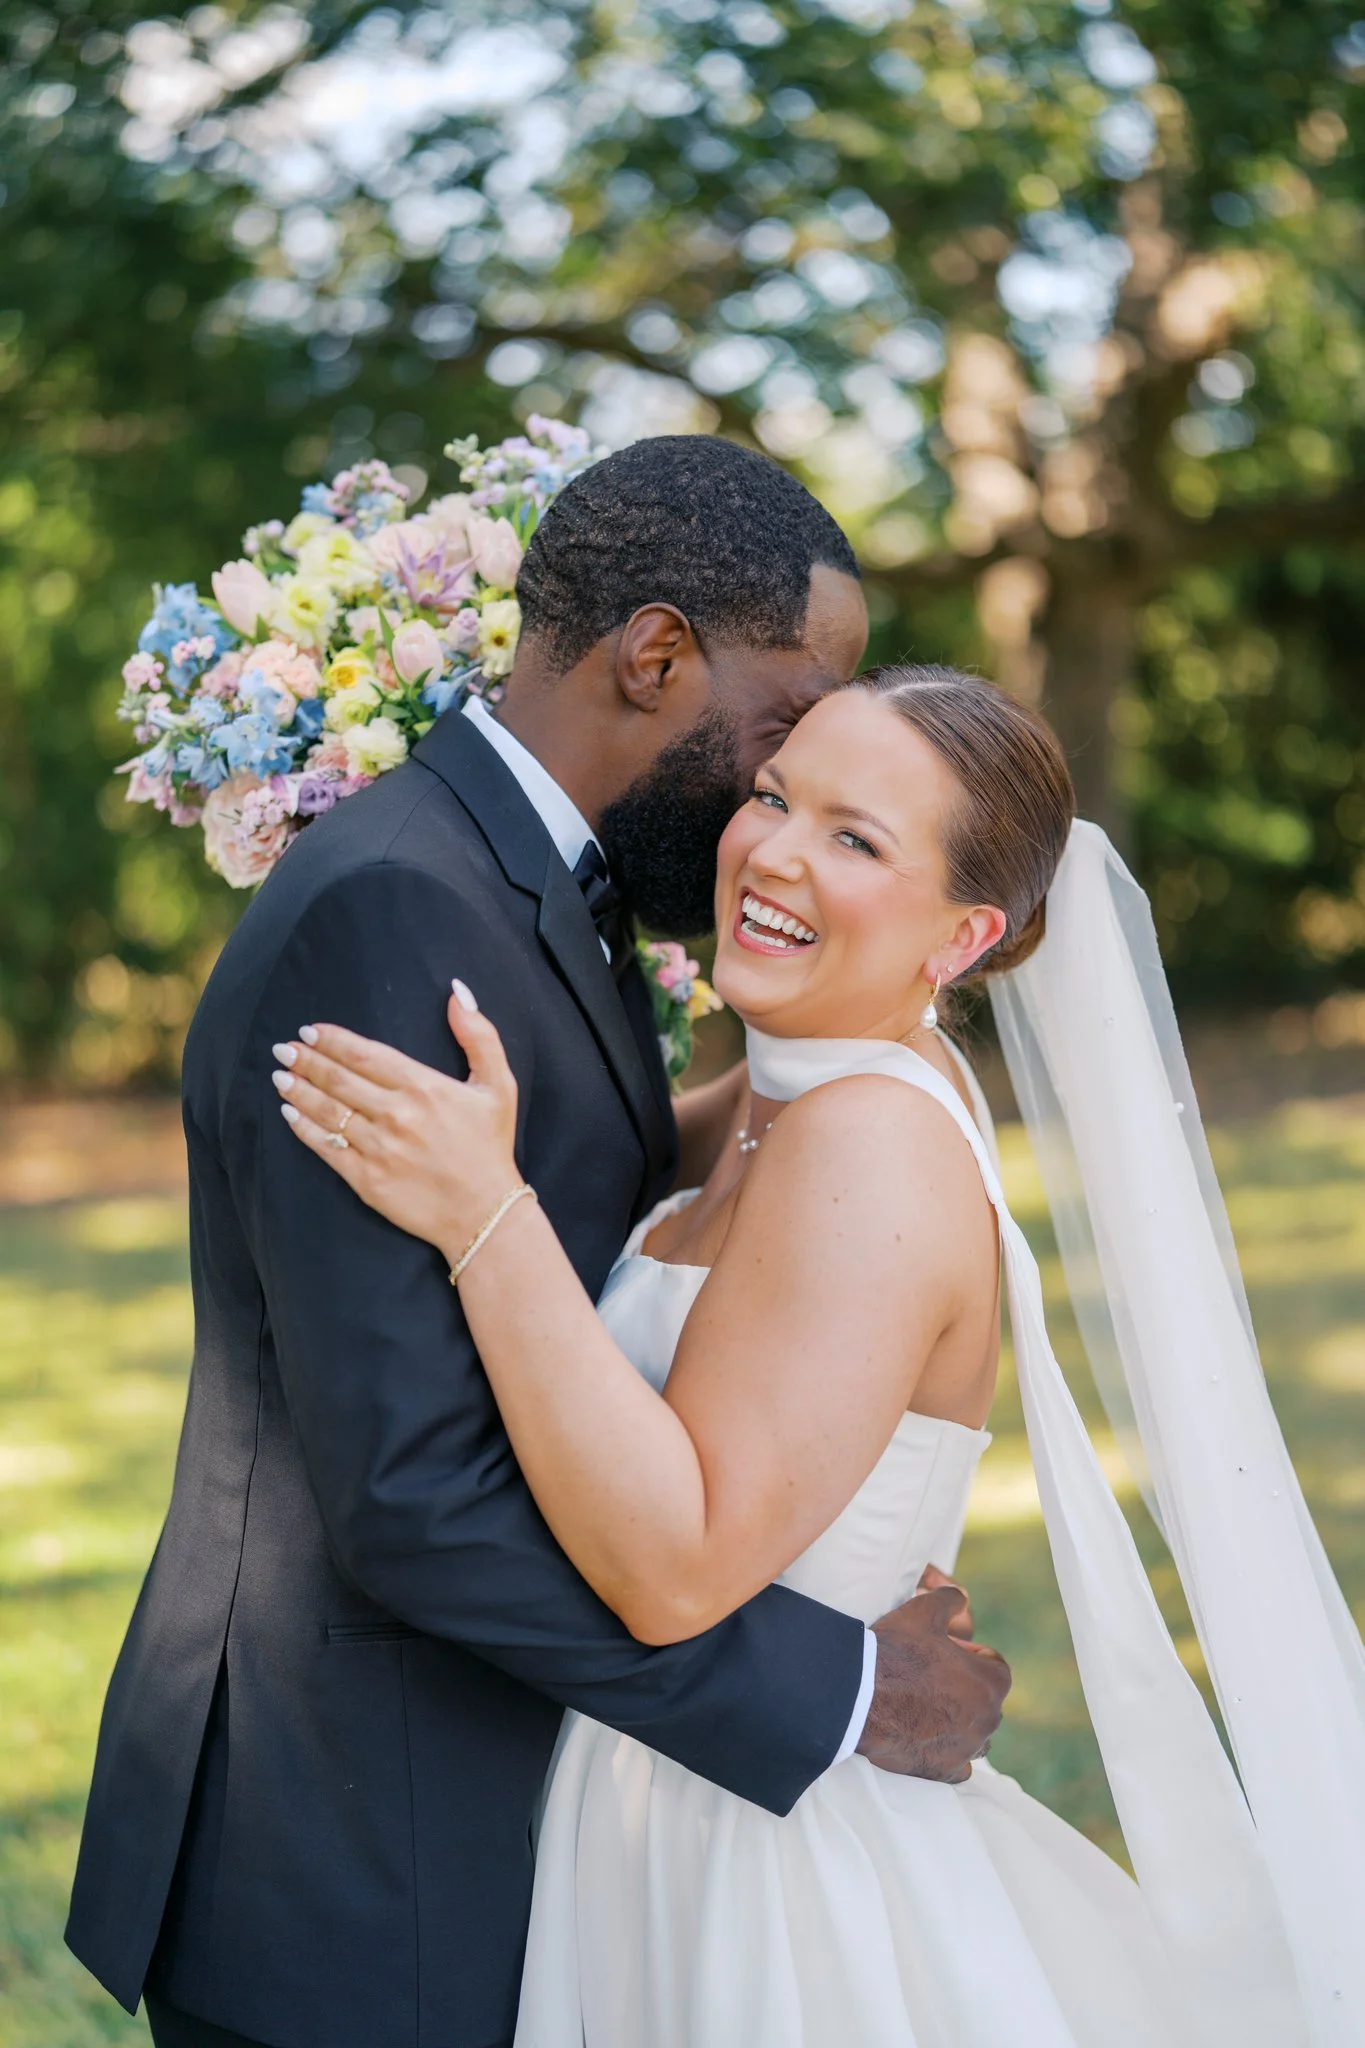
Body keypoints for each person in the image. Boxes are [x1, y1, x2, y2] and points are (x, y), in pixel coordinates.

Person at [66, 441, 1011, 2048]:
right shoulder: (396, 911)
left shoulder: (535, 882)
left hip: (474, 1824)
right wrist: (836, 1691)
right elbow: (415, 1495)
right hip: (362, 1857)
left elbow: (617, 1173)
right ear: (656, 658)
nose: (786, 782)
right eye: (784, 729)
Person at [280, 665, 1365, 2046]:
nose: (776, 853)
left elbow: (677, 1566)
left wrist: (482, 1214)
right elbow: (619, 1167)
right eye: (776, 796)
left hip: (774, 1870)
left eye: (856, 839)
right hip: (672, 1798)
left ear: (963, 936)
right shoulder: (791, 1084)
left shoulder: (869, 1142)